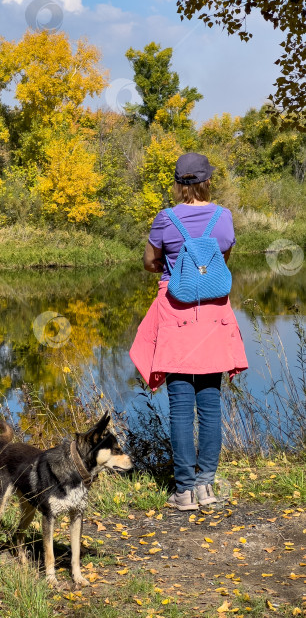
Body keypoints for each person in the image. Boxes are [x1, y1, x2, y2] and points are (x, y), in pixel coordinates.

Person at [129, 152, 248, 511]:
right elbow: (221, 260)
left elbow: (151, 262)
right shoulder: (223, 217)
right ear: (207, 180)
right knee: (210, 403)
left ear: (179, 184)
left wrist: (172, 265)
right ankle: (206, 487)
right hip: (213, 313)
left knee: (181, 404)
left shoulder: (166, 219)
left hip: (176, 312)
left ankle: (183, 492)